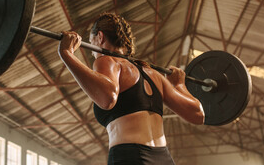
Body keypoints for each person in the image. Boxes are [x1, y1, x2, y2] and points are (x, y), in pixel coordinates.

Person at [58, 13, 205, 165]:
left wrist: (67, 54)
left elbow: (107, 98)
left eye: (91, 42)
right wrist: (179, 85)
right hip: (164, 159)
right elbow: (198, 114)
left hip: (131, 157)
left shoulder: (107, 61)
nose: (92, 51)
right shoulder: (155, 75)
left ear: (100, 37)